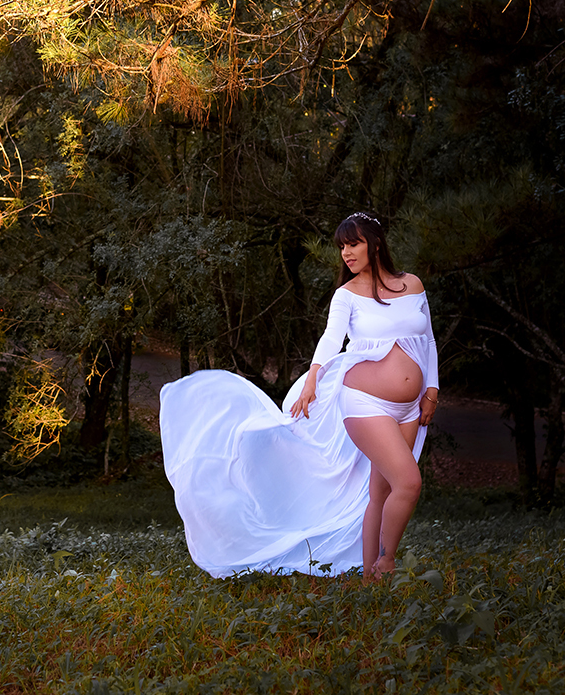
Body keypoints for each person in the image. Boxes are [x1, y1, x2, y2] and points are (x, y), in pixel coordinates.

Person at [158, 212, 438, 579]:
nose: (346, 253)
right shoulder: (346, 295)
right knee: (409, 483)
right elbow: (331, 339)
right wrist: (312, 381)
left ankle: (371, 580)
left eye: (353, 244)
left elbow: (428, 340)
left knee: (380, 492)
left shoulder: (412, 285)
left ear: (376, 243)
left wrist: (431, 389)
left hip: (410, 408)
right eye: (342, 247)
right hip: (365, 403)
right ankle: (387, 562)